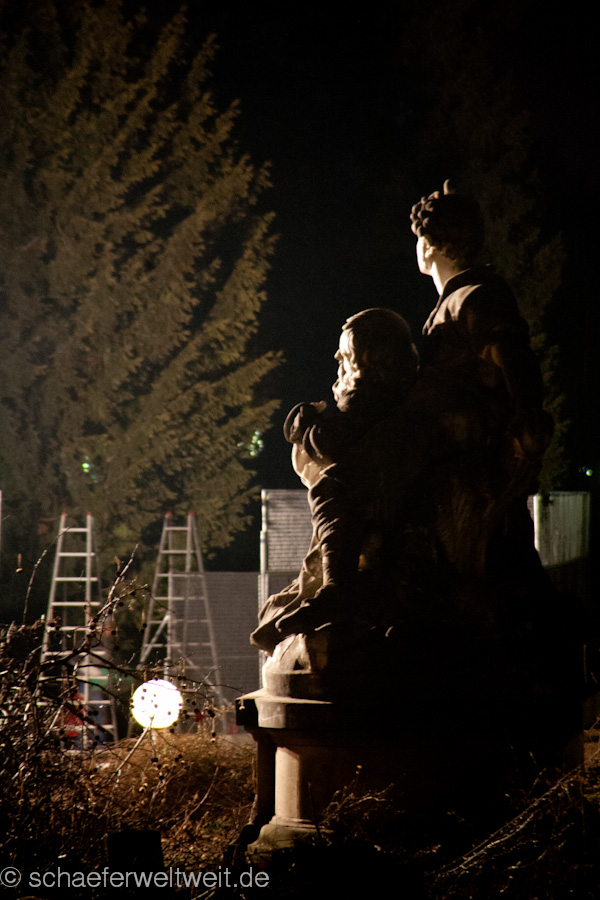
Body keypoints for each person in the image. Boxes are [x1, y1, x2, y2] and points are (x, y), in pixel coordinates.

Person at [250, 308, 418, 654]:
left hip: (378, 492)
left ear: (365, 358)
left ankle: (337, 590)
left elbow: (330, 443)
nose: (338, 360)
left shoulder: (370, 395)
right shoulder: (391, 392)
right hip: (389, 483)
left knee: (331, 489)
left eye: (345, 353)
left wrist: (305, 424)